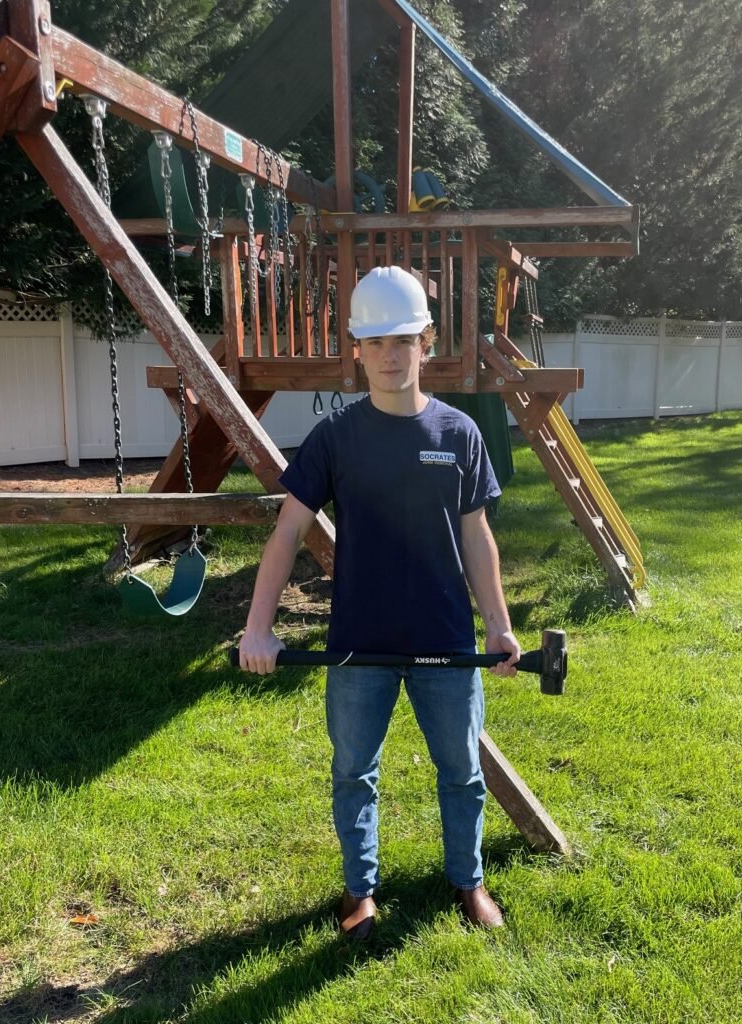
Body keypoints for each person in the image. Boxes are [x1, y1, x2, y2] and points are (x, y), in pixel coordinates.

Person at [237, 265, 520, 938]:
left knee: (461, 771)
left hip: (446, 643)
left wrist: (500, 629)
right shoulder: (336, 438)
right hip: (358, 646)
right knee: (352, 773)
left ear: (426, 342)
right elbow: (286, 532)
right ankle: (359, 891)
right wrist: (258, 629)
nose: (390, 357)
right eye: (375, 343)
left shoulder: (458, 435)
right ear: (356, 350)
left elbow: (476, 538)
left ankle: (467, 880)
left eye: (403, 341)